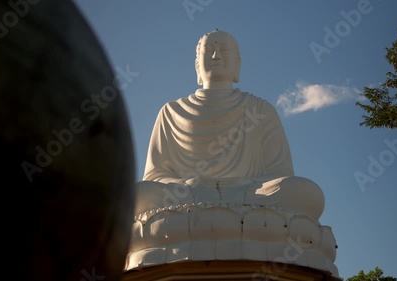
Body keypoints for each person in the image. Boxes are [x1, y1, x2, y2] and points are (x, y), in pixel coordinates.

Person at [135, 29, 325, 219]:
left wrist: (242, 185)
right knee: (137, 195)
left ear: (237, 64)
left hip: (248, 193)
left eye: (224, 50)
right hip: (187, 196)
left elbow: (279, 174)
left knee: (305, 193)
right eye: (208, 51)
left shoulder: (260, 110)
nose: (216, 57)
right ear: (196, 66)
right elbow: (155, 175)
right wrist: (187, 186)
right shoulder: (171, 112)